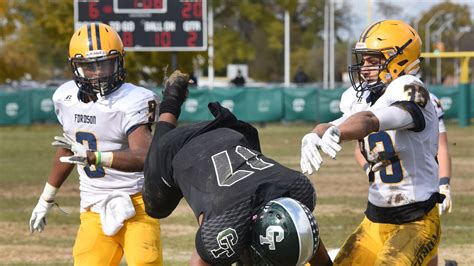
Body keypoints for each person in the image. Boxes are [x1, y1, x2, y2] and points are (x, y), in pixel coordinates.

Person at [142, 75, 332, 265]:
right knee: (156, 205)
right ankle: (172, 98)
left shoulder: (300, 192)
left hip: (228, 133)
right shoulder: (223, 230)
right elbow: (202, 258)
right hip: (176, 148)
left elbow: (308, 238)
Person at [300, 20, 445, 265]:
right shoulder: (362, 98)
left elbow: (370, 121)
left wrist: (339, 131)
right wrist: (316, 132)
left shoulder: (410, 90)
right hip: (375, 221)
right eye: (363, 60)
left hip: (416, 221)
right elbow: (343, 120)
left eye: (373, 60)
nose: (364, 68)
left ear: (399, 59)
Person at [29, 23, 163, 265]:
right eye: (89, 67)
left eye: (104, 63)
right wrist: (45, 199)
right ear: (76, 67)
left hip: (138, 204)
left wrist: (95, 157)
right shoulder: (66, 98)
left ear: (119, 62)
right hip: (93, 206)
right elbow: (67, 148)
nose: (99, 72)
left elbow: (145, 156)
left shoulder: (133, 100)